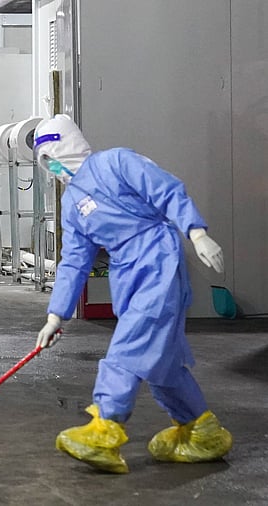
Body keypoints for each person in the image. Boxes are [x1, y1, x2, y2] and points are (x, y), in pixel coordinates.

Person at [33, 114, 232, 474]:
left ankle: (104, 430)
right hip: (126, 273)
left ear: (67, 146)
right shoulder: (72, 204)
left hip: (158, 262)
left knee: (128, 348)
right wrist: (55, 314)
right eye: (44, 162)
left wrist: (196, 232)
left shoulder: (116, 162)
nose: (51, 168)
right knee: (162, 364)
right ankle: (202, 432)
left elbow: (166, 189)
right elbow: (74, 261)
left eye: (51, 156)